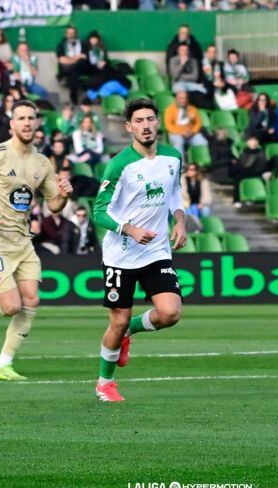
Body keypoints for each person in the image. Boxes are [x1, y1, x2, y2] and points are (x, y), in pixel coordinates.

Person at [0, 100, 73, 381]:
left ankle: (3, 366)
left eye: (32, 118)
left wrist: (64, 195)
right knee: (10, 307)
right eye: (21, 118)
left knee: (31, 299)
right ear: (12, 124)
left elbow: (53, 204)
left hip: (24, 243)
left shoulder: (42, 162)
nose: (27, 123)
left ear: (38, 123)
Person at [91, 98, 187, 403]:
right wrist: (129, 229)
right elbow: (99, 211)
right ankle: (104, 383)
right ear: (129, 127)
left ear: (158, 122)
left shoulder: (173, 157)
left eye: (150, 119)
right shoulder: (120, 164)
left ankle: (130, 331)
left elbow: (174, 193)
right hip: (121, 254)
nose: (146, 126)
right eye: (139, 121)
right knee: (116, 322)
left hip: (156, 250)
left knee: (170, 313)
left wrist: (181, 221)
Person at [164, 90, 207, 156]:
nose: (183, 100)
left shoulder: (192, 108)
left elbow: (198, 123)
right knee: (179, 141)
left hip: (191, 134)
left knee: (203, 142)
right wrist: (181, 132)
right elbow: (168, 125)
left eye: (185, 98)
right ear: (176, 99)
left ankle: (203, 162)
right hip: (176, 134)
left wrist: (193, 131)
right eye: (181, 98)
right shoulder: (170, 109)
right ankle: (182, 165)